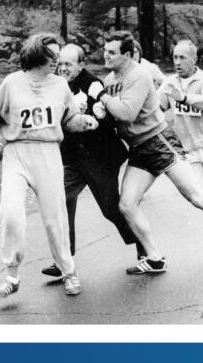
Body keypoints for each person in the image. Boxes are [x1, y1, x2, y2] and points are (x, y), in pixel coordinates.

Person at [0, 33, 95, 299]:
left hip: (47, 153)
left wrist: (85, 122)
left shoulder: (60, 85)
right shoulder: (12, 82)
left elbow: (69, 120)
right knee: (10, 212)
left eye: (58, 56)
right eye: (51, 56)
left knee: (55, 218)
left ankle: (69, 272)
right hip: (17, 153)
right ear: (36, 55)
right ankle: (11, 275)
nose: (56, 61)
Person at [97, 32, 203, 276]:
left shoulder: (138, 75)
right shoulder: (110, 79)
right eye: (105, 50)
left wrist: (102, 98)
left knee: (195, 195)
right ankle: (154, 257)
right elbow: (115, 114)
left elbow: (127, 112)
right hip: (139, 147)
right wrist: (100, 110)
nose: (105, 56)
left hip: (159, 141)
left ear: (128, 55)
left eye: (111, 52)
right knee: (127, 205)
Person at [44, 43, 146, 282]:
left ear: (81, 64)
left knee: (111, 209)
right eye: (60, 63)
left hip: (99, 158)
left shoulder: (93, 85)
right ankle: (63, 260)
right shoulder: (57, 85)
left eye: (68, 63)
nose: (62, 68)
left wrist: (92, 115)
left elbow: (107, 119)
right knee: (62, 200)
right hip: (71, 157)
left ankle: (144, 245)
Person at [159, 40, 203, 194]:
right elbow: (156, 109)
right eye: (175, 57)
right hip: (189, 150)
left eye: (182, 58)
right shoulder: (170, 83)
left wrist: (183, 98)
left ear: (194, 59)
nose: (177, 62)